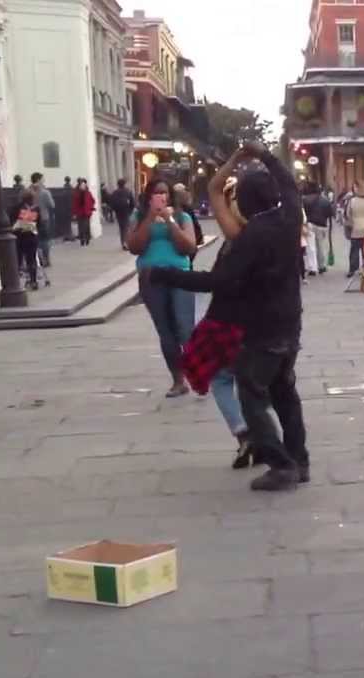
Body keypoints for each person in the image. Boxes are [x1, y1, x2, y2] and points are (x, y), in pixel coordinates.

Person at [147, 142, 310, 492]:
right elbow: (289, 184)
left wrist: (167, 275)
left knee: (252, 395)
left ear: (247, 202)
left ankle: (281, 466)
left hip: (261, 329)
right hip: (290, 323)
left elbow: (217, 281)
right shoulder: (290, 216)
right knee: (285, 393)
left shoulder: (252, 236)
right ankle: (299, 459)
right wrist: (265, 156)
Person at [176, 158, 256, 470]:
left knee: (225, 379)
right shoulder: (264, 234)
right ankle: (259, 438)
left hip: (231, 323)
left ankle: (249, 434)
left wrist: (238, 156)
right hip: (250, 322)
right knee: (246, 382)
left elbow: (213, 281)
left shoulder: (238, 241)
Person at [128, 180, 198, 398]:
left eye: (165, 193)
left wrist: (168, 219)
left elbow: (188, 246)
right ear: (149, 196)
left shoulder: (181, 217)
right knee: (165, 331)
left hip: (179, 275)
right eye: (157, 193)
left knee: (185, 328)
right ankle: (178, 380)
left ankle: (198, 374)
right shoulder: (138, 217)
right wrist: (150, 217)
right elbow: (134, 246)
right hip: (151, 278)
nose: (161, 197)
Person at [9, 191, 43, 291]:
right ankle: (33, 281)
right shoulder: (36, 208)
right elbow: (40, 223)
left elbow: (11, 220)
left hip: (19, 237)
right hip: (32, 236)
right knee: (31, 260)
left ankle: (17, 282)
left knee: (18, 260)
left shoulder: (17, 207)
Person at [303, 182, 332, 275]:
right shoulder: (325, 200)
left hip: (310, 224)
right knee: (321, 246)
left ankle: (312, 268)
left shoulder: (305, 200)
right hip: (322, 225)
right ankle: (321, 266)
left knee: (311, 247)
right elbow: (330, 213)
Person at [30, 172, 56, 266]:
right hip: (43, 218)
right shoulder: (44, 192)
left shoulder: (27, 191)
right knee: (44, 239)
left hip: (30, 218)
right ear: (38, 180)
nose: (43, 181)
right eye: (42, 179)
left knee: (33, 239)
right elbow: (52, 205)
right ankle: (46, 259)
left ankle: (37, 258)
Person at [110, 179, 136, 250]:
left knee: (121, 228)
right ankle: (126, 243)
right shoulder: (128, 192)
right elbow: (133, 203)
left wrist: (115, 211)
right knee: (126, 228)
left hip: (118, 213)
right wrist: (130, 211)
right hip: (126, 212)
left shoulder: (114, 193)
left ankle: (123, 243)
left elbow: (112, 203)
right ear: (124, 184)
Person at [73, 178, 96, 246]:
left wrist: (90, 207)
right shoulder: (76, 193)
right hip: (80, 212)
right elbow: (74, 204)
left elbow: (92, 200)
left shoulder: (88, 193)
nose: (83, 186)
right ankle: (82, 239)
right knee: (81, 226)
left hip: (87, 212)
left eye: (84, 185)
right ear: (79, 186)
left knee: (86, 226)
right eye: (82, 185)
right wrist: (74, 213)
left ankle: (87, 238)